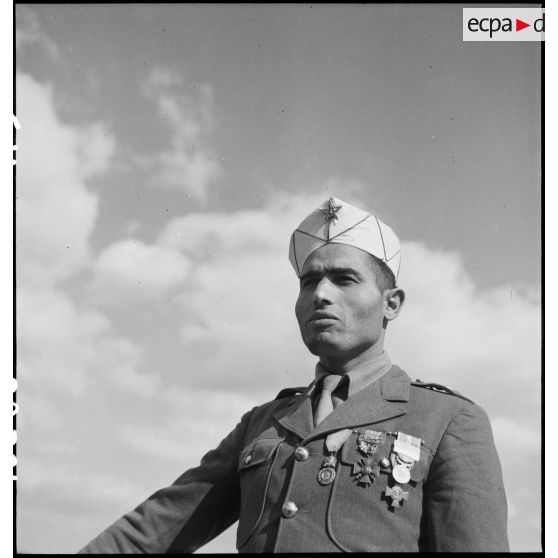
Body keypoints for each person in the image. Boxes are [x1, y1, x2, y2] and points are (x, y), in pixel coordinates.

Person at [79, 196, 509, 553]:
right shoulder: (262, 423)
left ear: (391, 304)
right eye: (309, 282)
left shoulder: (446, 419)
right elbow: (153, 530)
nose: (321, 295)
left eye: (343, 279)